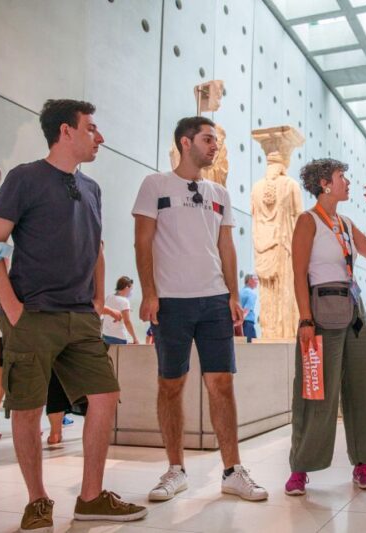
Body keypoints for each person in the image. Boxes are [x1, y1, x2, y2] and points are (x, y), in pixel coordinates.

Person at [0, 99, 146, 531]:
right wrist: (13, 308)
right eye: (91, 128)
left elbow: (97, 248)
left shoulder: (92, 188)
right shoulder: (25, 178)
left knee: (105, 396)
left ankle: (91, 497)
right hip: (33, 314)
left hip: (81, 317)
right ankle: (37, 500)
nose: (100, 137)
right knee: (27, 407)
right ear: (65, 131)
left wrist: (96, 300)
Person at [133, 116, 267, 503]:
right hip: (171, 302)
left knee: (222, 383)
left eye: (216, 141)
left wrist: (232, 295)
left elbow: (226, 246)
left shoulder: (219, 193)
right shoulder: (155, 185)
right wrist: (149, 293)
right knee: (170, 385)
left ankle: (232, 470)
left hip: (214, 301)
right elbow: (143, 242)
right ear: (185, 142)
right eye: (208, 139)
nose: (215, 146)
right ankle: (175, 470)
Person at [285, 158, 366, 496]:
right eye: (342, 177)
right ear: (325, 183)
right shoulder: (308, 220)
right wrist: (305, 319)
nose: (348, 182)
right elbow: (298, 274)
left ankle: (363, 463)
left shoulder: (345, 223)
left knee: (363, 387)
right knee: (315, 390)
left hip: (353, 311)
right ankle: (300, 468)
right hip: (320, 310)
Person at [102, 276, 139, 345]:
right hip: (119, 338)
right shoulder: (125, 301)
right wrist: (135, 338)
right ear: (127, 288)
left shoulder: (109, 297)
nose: (131, 292)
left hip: (105, 335)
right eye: (131, 289)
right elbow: (127, 322)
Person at [239, 274, 259, 343]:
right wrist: (241, 320)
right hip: (247, 323)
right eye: (255, 279)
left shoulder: (240, 292)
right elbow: (246, 309)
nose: (257, 282)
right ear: (249, 280)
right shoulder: (251, 293)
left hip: (239, 324)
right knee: (251, 346)